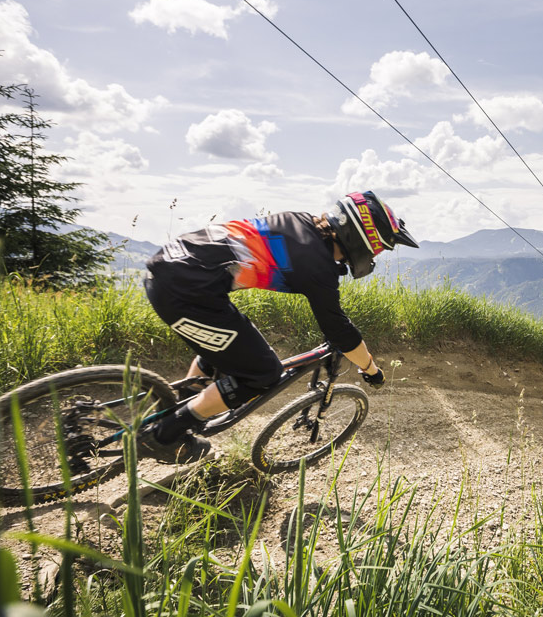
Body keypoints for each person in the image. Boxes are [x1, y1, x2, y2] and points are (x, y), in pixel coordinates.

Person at [139, 191, 419, 461]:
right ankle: (165, 435)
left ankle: (183, 401)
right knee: (262, 373)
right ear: (361, 240)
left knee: (233, 346)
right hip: (185, 292)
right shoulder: (316, 264)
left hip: (174, 269)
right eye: (379, 248)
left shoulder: (301, 222)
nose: (376, 256)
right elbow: (340, 332)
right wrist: (371, 370)